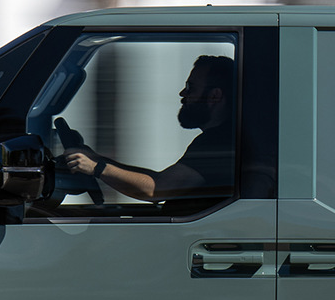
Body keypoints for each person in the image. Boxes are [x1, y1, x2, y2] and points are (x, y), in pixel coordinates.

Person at [59, 54, 235, 203]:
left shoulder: (219, 142)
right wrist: (97, 160)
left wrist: (96, 168)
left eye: (191, 88)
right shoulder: (219, 139)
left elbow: (158, 189)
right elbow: (158, 179)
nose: (182, 93)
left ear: (214, 96)